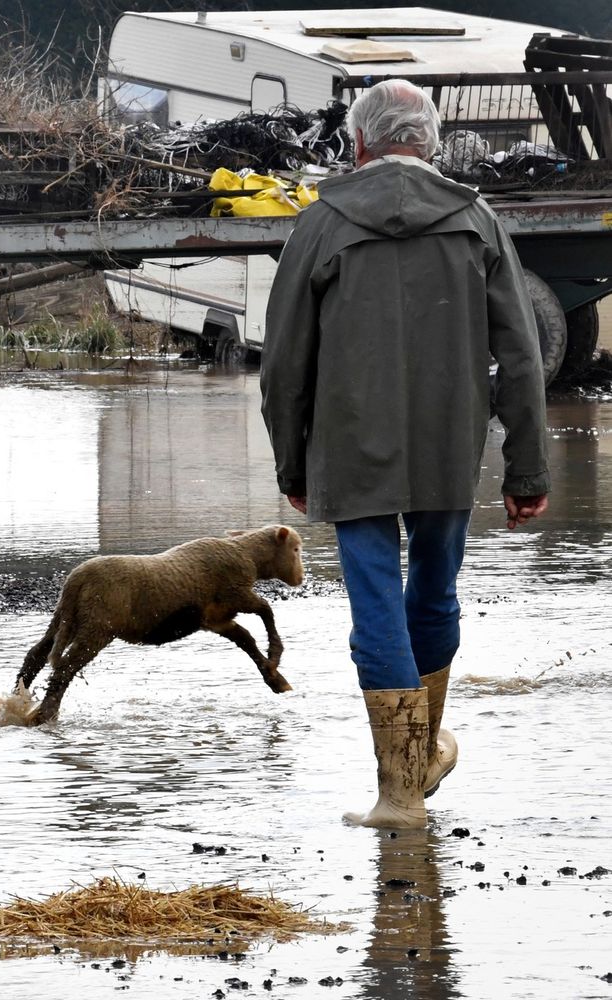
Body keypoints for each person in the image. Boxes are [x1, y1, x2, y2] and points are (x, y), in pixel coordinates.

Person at [260, 78, 549, 830]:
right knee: (434, 594)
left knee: (376, 606)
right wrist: (526, 470)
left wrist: (292, 463)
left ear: (358, 142)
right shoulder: (476, 220)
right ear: (432, 141)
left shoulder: (321, 225)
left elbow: (284, 363)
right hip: (450, 442)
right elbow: (520, 355)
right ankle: (418, 767)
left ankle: (399, 791)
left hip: (349, 445)